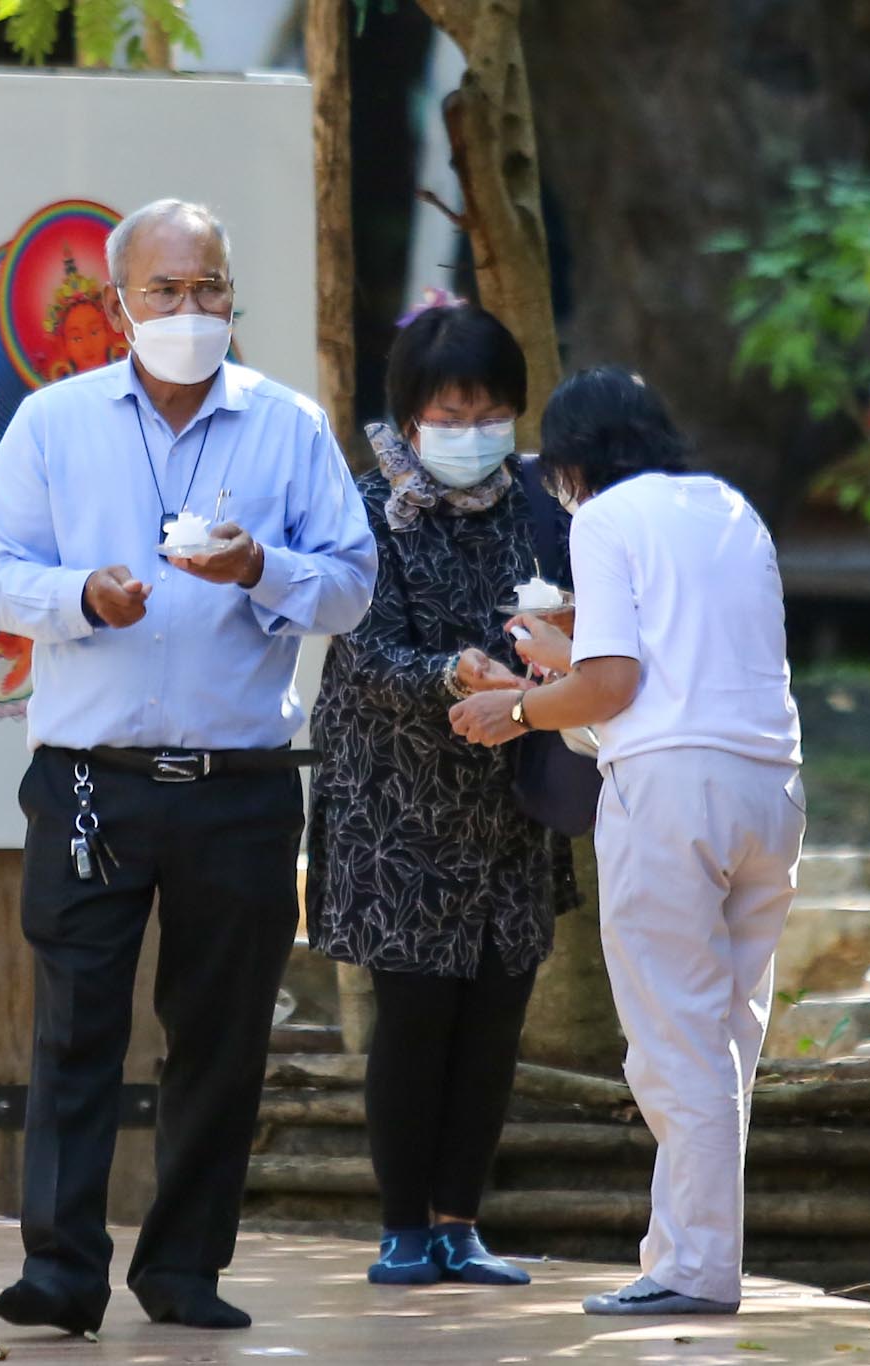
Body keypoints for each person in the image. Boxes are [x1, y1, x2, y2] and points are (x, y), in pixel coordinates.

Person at [0, 198, 376, 1337]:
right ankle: (59, 1270)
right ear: (114, 304)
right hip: (90, 779)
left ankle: (183, 1266)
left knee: (222, 1032)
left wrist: (264, 569)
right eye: (164, 291)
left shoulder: (287, 427)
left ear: (233, 298)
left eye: (208, 291)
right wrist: (78, 598)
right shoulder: (54, 424)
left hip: (239, 783)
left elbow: (352, 582)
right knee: (77, 1024)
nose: (189, 311)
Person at [448, 366, 803, 1317]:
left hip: (671, 794)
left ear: (572, 464)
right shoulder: (730, 508)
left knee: (672, 1042)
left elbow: (609, 690)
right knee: (727, 1035)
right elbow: (670, 666)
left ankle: (694, 1271)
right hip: (769, 787)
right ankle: (691, 1254)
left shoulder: (603, 520)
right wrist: (554, 665)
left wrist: (514, 705)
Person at [305, 302, 576, 1289]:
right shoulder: (365, 511)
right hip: (396, 812)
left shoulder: (540, 507)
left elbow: (576, 629)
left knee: (493, 1023)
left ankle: (460, 1222)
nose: (471, 432)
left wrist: (544, 678)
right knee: (413, 1022)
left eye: (489, 410)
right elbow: (365, 651)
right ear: (408, 417)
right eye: (448, 413)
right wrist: (450, 674)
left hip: (510, 805)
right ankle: (400, 1229)